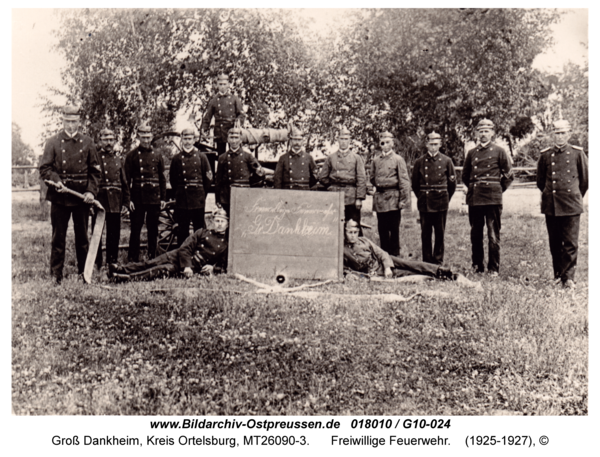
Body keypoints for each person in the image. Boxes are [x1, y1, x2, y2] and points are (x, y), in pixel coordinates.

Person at [39, 105, 101, 284]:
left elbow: (95, 172)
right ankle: (56, 275)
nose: (71, 125)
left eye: (74, 122)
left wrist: (90, 191)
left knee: (82, 238)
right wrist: (55, 179)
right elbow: (45, 168)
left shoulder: (88, 142)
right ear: (62, 120)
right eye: (67, 121)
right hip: (60, 197)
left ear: (79, 121)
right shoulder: (52, 142)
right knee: (58, 237)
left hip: (81, 198)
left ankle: (84, 274)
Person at [108, 208, 229, 282]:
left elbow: (223, 266)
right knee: (151, 263)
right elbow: (185, 248)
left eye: (222, 221)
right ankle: (120, 269)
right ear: (212, 221)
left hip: (191, 268)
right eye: (217, 221)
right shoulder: (201, 232)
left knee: (158, 271)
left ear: (227, 224)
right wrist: (186, 265)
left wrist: (213, 268)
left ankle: (124, 278)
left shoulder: (225, 245)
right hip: (177, 256)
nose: (219, 224)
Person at [536, 119, 588, 289]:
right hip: (552, 205)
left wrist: (574, 196)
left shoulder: (577, 153)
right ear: (553, 135)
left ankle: (569, 278)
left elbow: (585, 181)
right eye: (557, 133)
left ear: (569, 134)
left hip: (571, 204)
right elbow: (541, 182)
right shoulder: (545, 155)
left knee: (571, 243)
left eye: (563, 133)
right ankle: (558, 275)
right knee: (555, 242)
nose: (560, 136)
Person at [461, 119, 513, 275]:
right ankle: (477, 266)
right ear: (477, 133)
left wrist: (497, 189)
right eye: (481, 131)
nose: (483, 134)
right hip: (476, 198)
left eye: (486, 131)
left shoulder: (500, 151)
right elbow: (465, 176)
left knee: (493, 234)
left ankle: (493, 269)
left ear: (492, 133)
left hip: (492, 199)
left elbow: (509, 175)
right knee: (476, 234)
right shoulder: (471, 153)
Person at [343, 220, 455, 280]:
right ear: (345, 232)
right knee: (408, 273)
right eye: (350, 232)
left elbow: (381, 253)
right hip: (376, 271)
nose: (353, 236)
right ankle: (439, 276)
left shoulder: (364, 241)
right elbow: (345, 269)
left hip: (385, 261)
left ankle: (440, 270)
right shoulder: (342, 250)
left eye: (355, 232)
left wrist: (387, 267)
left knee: (410, 264)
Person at [411, 131, 456, 265]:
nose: (433, 147)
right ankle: (427, 261)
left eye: (436, 144)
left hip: (441, 201)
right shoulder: (419, 162)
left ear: (440, 144)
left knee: (440, 233)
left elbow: (452, 184)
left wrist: (445, 198)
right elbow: (415, 184)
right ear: (426, 144)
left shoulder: (447, 161)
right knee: (425, 234)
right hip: (425, 202)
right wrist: (422, 196)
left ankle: (438, 261)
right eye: (431, 144)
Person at [124, 123, 166, 261]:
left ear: (152, 137)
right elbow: (126, 180)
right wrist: (128, 199)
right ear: (138, 137)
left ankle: (152, 257)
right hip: (137, 198)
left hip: (154, 198)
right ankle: (132, 259)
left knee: (153, 230)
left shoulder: (158, 155)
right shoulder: (131, 156)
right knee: (135, 229)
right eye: (143, 137)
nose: (146, 140)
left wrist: (163, 199)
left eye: (148, 137)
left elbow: (162, 178)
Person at [369, 131, 411, 256]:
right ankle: (384, 256)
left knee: (394, 230)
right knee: (382, 230)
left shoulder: (398, 159)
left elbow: (404, 181)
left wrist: (403, 200)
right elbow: (372, 178)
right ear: (379, 144)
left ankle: (395, 257)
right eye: (383, 142)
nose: (385, 145)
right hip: (380, 199)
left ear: (392, 143)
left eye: (388, 142)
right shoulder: (376, 160)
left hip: (393, 199)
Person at [169, 126, 213, 246]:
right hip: (182, 200)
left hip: (198, 200)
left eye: (190, 139)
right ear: (181, 140)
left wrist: (202, 195)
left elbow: (208, 179)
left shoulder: (202, 157)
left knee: (198, 231)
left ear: (194, 140)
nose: (188, 142)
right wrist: (179, 194)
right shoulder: (176, 159)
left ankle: (197, 257)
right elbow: (173, 180)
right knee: (182, 231)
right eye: (185, 139)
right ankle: (183, 259)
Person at [319, 126, 367, 234]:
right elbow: (323, 177)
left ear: (349, 141)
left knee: (353, 224)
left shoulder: (356, 158)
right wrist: (331, 187)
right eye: (341, 139)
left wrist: (359, 198)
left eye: (346, 139)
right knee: (333, 225)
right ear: (338, 140)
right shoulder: (331, 158)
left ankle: (357, 249)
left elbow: (361, 179)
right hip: (335, 195)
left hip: (351, 196)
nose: (344, 142)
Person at [94, 128, 130, 269]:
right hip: (100, 201)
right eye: (105, 139)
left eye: (111, 139)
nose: (108, 143)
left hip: (115, 201)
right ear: (100, 140)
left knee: (114, 234)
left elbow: (124, 182)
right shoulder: (94, 157)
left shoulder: (118, 159)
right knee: (97, 234)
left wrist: (126, 203)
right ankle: (97, 262)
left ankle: (112, 261)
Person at [215, 125, 265, 215]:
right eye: (231, 138)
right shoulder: (222, 158)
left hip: (244, 195)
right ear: (227, 140)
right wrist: (217, 199)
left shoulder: (248, 156)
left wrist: (249, 185)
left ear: (241, 140)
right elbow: (218, 180)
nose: (234, 141)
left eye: (236, 138)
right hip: (227, 196)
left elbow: (260, 174)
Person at [200, 73, 245, 156]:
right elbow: (207, 117)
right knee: (221, 156)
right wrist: (204, 128)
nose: (222, 86)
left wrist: (238, 122)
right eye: (220, 84)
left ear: (228, 85)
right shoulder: (213, 100)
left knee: (237, 154)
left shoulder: (234, 99)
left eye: (224, 84)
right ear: (217, 85)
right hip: (219, 132)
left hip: (233, 130)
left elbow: (241, 114)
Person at [273, 125, 318, 190]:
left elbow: (315, 176)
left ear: (302, 142)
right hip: (288, 191)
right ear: (290, 141)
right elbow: (277, 179)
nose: (297, 143)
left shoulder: (309, 158)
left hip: (304, 192)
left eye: (299, 140)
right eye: (295, 140)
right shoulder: (283, 158)